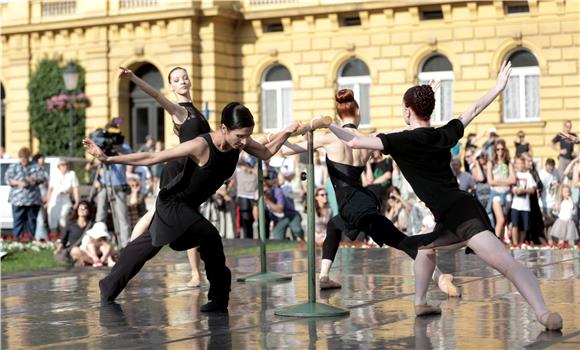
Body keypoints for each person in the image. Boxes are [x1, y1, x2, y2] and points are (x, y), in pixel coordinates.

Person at [327, 61, 563, 330]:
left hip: (462, 215)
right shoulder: (442, 135)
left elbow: (354, 140)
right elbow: (472, 110)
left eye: (405, 108)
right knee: (424, 250)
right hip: (452, 214)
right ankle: (420, 302)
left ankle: (544, 314)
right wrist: (498, 88)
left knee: (506, 264)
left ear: (407, 111)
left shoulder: (401, 141)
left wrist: (327, 124)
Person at [84, 102, 300, 312]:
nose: (244, 142)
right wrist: (108, 159)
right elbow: (153, 157)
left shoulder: (239, 142)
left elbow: (265, 152)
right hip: (173, 202)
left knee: (145, 246)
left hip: (187, 205)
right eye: (240, 136)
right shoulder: (201, 145)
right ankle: (218, 298)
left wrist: (287, 132)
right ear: (224, 128)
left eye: (247, 135)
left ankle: (109, 286)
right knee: (210, 237)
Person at [281, 89, 460, 299]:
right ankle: (324, 277)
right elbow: (405, 130)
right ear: (357, 112)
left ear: (338, 115)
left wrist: (284, 133)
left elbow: (286, 150)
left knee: (400, 239)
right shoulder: (367, 139)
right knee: (334, 225)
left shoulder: (328, 139)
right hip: (359, 200)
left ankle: (439, 278)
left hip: (353, 204)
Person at [119, 66, 210, 288]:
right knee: (155, 212)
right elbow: (156, 96)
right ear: (172, 86)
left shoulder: (195, 110)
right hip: (177, 169)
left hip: (189, 169)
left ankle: (196, 274)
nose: (183, 81)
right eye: (177, 80)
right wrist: (133, 78)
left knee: (188, 217)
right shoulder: (180, 110)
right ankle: (127, 255)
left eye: (185, 77)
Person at [4, 147, 47, 240]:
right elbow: (7, 179)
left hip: (32, 199)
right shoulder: (14, 166)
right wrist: (18, 183)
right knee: (18, 220)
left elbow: (43, 178)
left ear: (29, 157)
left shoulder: (36, 166)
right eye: (22, 159)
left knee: (32, 220)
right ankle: (17, 240)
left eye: (26, 158)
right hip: (18, 199)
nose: (24, 161)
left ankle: (30, 240)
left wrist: (34, 178)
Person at [487, 138, 515, 241]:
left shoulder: (508, 163)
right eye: (498, 149)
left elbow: (513, 180)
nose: (500, 151)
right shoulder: (491, 163)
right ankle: (495, 242)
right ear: (495, 150)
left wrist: (499, 181)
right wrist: (505, 181)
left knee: (504, 221)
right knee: (500, 219)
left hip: (507, 194)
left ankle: (501, 242)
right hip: (496, 194)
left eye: (502, 149)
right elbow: (490, 181)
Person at [55, 200, 95, 266]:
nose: (82, 210)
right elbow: (63, 240)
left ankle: (86, 261)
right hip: (76, 249)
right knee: (75, 251)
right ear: (77, 210)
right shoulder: (70, 224)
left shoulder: (92, 225)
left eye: (85, 208)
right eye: (80, 208)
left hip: (90, 249)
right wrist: (58, 249)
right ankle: (95, 262)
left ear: (88, 211)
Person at [47, 159, 80, 236]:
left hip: (65, 197)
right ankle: (54, 238)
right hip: (55, 198)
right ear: (59, 167)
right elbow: (50, 189)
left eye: (66, 164)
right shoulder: (54, 174)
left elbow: (75, 188)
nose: (65, 166)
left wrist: (77, 201)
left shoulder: (72, 174)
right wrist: (48, 201)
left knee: (64, 217)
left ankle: (63, 238)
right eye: (62, 165)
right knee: (53, 218)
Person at [510, 156, 537, 245]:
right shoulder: (514, 174)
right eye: (518, 163)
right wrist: (515, 191)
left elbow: (533, 189)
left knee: (524, 227)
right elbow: (511, 187)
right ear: (515, 165)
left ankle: (520, 244)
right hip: (515, 205)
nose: (520, 165)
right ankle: (515, 244)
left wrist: (524, 191)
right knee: (515, 225)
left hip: (525, 206)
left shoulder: (528, 175)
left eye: (522, 163)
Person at [539, 158, 560, 231]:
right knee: (547, 222)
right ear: (545, 166)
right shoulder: (542, 174)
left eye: (552, 167)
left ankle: (550, 240)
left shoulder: (555, 171)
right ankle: (543, 236)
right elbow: (539, 189)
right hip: (544, 202)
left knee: (553, 223)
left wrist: (557, 201)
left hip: (553, 202)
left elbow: (559, 182)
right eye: (549, 167)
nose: (551, 169)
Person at [33, 154, 49, 240]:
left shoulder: (44, 172)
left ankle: (40, 237)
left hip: (44, 198)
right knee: (40, 219)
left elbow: (47, 186)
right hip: (37, 198)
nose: (43, 160)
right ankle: (40, 238)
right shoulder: (34, 171)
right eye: (41, 158)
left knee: (43, 218)